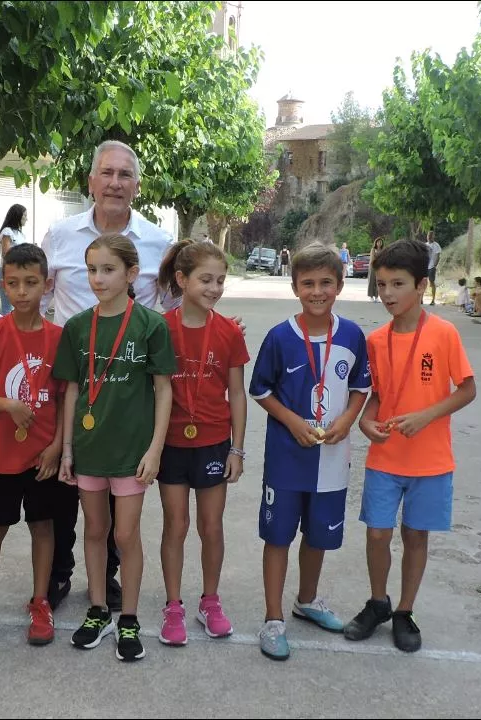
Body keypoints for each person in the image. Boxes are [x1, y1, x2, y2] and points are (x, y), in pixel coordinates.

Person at [41, 141, 175, 613]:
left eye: (125, 175)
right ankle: (59, 572)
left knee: (120, 500)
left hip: (126, 385)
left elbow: (174, 305)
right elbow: (40, 298)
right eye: (107, 173)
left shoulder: (158, 242)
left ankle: (109, 577)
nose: (115, 182)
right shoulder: (60, 235)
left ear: (136, 185)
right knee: (65, 487)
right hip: (72, 378)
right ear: (91, 181)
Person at [344, 239, 477, 653]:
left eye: (398, 284)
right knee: (377, 534)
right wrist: (366, 421)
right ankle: (378, 602)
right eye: (382, 284)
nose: (388, 294)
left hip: (431, 461)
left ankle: (404, 610)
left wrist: (426, 416)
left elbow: (467, 389)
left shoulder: (443, 333)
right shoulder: (376, 340)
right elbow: (378, 394)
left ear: (421, 285)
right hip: (385, 457)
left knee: (416, 535)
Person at [53, 233, 175, 663]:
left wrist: (155, 450)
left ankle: (129, 618)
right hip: (89, 449)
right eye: (92, 270)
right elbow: (71, 391)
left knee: (125, 535)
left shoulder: (151, 325)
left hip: (131, 453)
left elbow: (164, 390)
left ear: (131, 273)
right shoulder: (76, 327)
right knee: (94, 530)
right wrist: (68, 450)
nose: (98, 279)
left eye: (108, 270)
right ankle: (98, 610)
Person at [249, 243, 370, 661]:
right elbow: (260, 390)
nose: (317, 292)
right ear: (294, 286)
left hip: (332, 459)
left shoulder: (352, 335)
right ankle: (273, 618)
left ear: (340, 284)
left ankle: (307, 600)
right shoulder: (280, 337)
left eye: (325, 283)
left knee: (318, 535)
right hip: (287, 458)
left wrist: (348, 419)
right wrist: (293, 421)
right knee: (278, 536)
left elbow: (361, 387)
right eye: (308, 283)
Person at [0, 243, 69, 650]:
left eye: (31, 283)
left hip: (43, 457)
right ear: (3, 285)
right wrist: (8, 405)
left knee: (43, 527)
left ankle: (40, 602)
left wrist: (57, 446)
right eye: (14, 283)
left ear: (47, 285)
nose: (22, 292)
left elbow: (65, 398)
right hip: (2, 456)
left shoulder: (59, 338)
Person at [153, 240, 250, 646]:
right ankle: (173, 606)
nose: (214, 288)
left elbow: (237, 394)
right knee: (176, 525)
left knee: (211, 526)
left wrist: (237, 449)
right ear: (182, 279)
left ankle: (210, 601)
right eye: (205, 279)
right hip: (172, 444)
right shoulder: (159, 328)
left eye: (220, 281)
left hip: (213, 442)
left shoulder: (228, 332)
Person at [0, 204, 29, 314]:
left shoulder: (20, 234)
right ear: (17, 216)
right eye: (24, 216)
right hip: (6, 272)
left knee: (17, 307)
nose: (26, 219)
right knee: (8, 308)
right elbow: (7, 254)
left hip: (17, 273)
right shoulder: (7, 231)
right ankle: (5, 326)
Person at [424, 232, 441, 305]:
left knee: (431, 282)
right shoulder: (425, 245)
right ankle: (421, 299)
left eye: (431, 236)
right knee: (423, 282)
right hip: (425, 266)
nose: (429, 237)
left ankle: (433, 300)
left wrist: (435, 265)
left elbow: (438, 255)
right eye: (428, 235)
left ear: (433, 237)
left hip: (431, 266)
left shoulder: (436, 245)